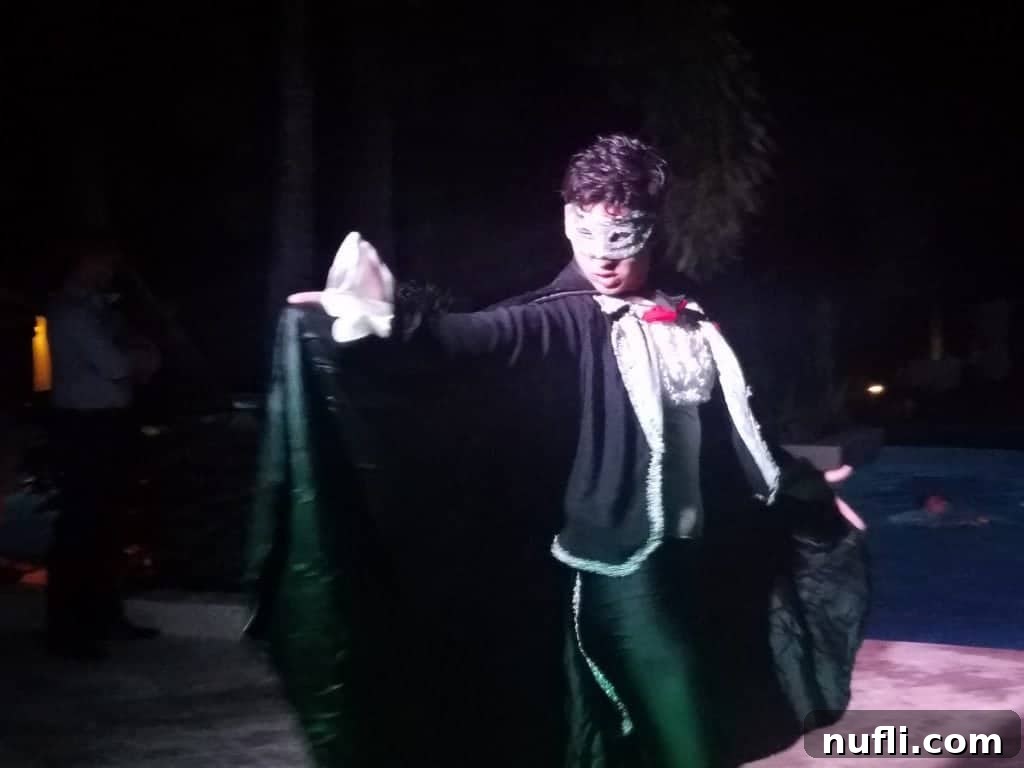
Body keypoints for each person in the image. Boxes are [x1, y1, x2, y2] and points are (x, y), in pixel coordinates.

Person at [284, 134, 868, 766]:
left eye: (621, 237)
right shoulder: (566, 317)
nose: (602, 257)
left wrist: (806, 491)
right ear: (567, 221)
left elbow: (739, 433)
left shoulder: (693, 315)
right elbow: (472, 339)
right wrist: (381, 319)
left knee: (700, 714)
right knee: (683, 724)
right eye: (585, 233)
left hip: (698, 559)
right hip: (624, 570)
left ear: (653, 227)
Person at [45, 237, 161, 660]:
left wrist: (135, 357)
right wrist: (136, 358)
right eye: (103, 263)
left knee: (108, 524)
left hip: (108, 424)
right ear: (83, 262)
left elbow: (137, 355)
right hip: (84, 427)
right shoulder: (70, 311)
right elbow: (116, 365)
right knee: (81, 526)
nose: (109, 272)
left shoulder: (100, 309)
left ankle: (104, 616)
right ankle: (67, 629)